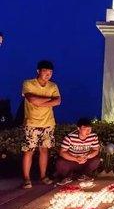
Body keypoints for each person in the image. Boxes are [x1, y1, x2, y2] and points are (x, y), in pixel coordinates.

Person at [21, 60, 61, 189]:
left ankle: (43, 176)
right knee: (29, 150)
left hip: (48, 123)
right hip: (32, 122)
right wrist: (49, 100)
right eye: (45, 71)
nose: (48, 74)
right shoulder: (28, 83)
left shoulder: (53, 86)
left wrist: (39, 102)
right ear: (38, 71)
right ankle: (26, 179)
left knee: (44, 150)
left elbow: (58, 101)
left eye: (50, 72)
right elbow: (31, 99)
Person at [56, 118, 100, 185]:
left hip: (85, 160)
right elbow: (62, 152)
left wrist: (87, 156)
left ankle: (84, 175)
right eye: (85, 129)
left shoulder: (93, 136)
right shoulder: (70, 137)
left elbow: (96, 150)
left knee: (96, 160)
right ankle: (67, 177)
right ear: (78, 129)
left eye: (89, 129)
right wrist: (76, 159)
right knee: (60, 162)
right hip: (72, 160)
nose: (88, 131)